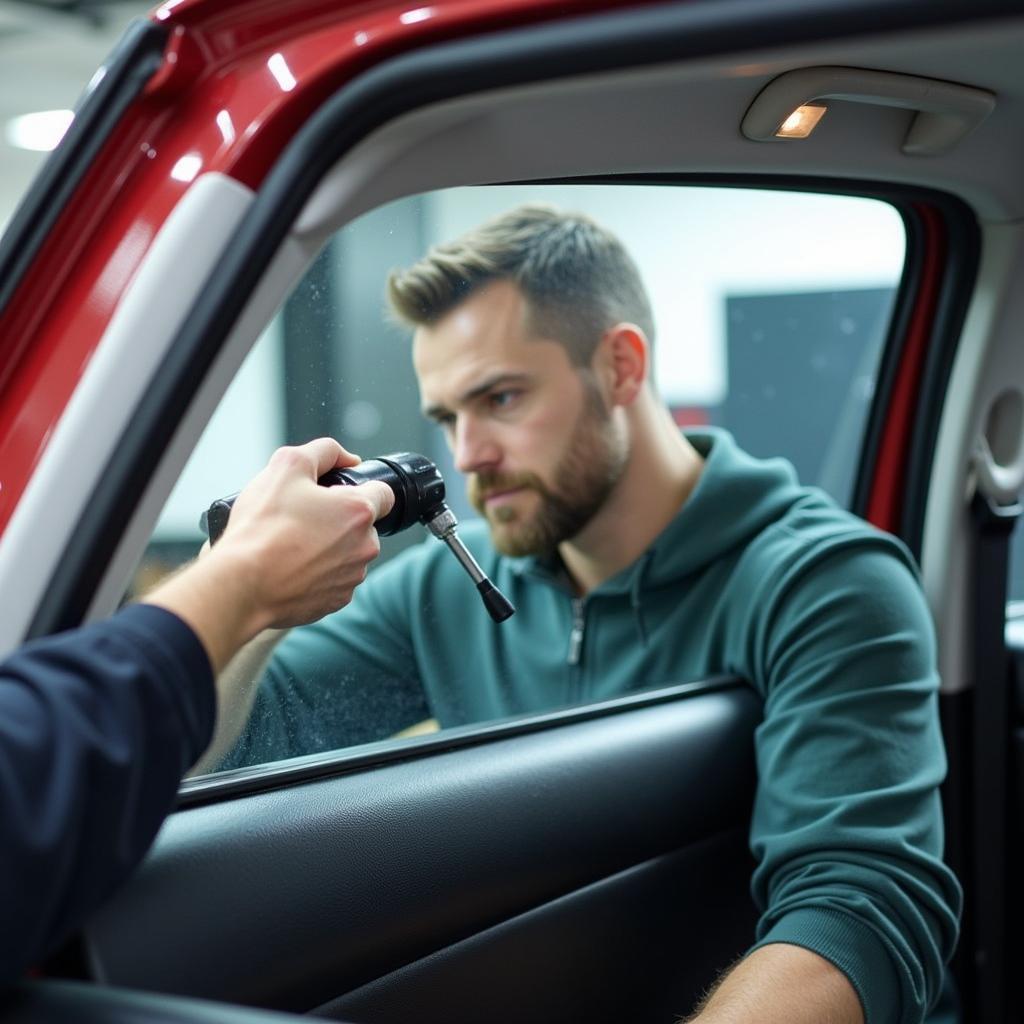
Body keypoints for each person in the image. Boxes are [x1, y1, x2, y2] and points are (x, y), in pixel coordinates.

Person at [199, 206, 961, 1024]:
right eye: (449, 416)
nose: (467, 454)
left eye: (500, 397)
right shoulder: (449, 585)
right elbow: (232, 743)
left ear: (621, 368)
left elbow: (857, 909)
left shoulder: (822, 581)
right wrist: (259, 589)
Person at [0, 437, 394, 987]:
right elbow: (38, 762)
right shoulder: (417, 596)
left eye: (504, 397)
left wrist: (247, 575)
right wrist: (250, 573)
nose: (468, 454)